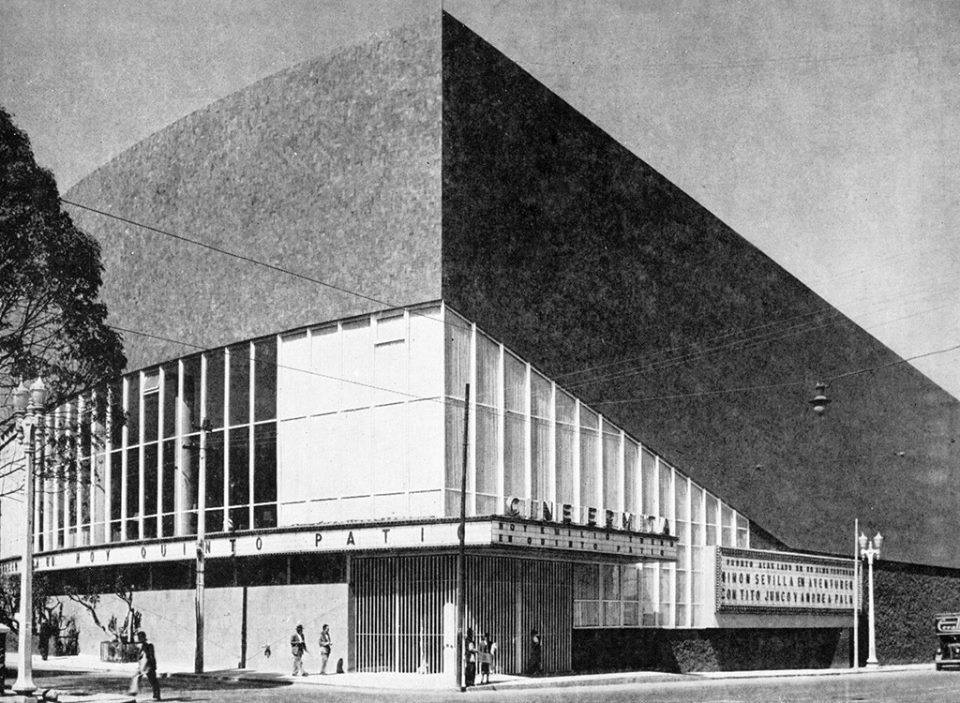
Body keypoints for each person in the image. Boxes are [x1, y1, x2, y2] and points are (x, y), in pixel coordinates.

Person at [127, 630, 161, 701]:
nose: (139, 639)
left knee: (152, 680)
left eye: (140, 637)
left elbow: (151, 656)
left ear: (143, 637)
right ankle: (133, 691)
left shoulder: (148, 645)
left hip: (148, 665)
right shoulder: (140, 646)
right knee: (137, 677)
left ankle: (156, 695)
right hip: (142, 665)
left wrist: (154, 665)